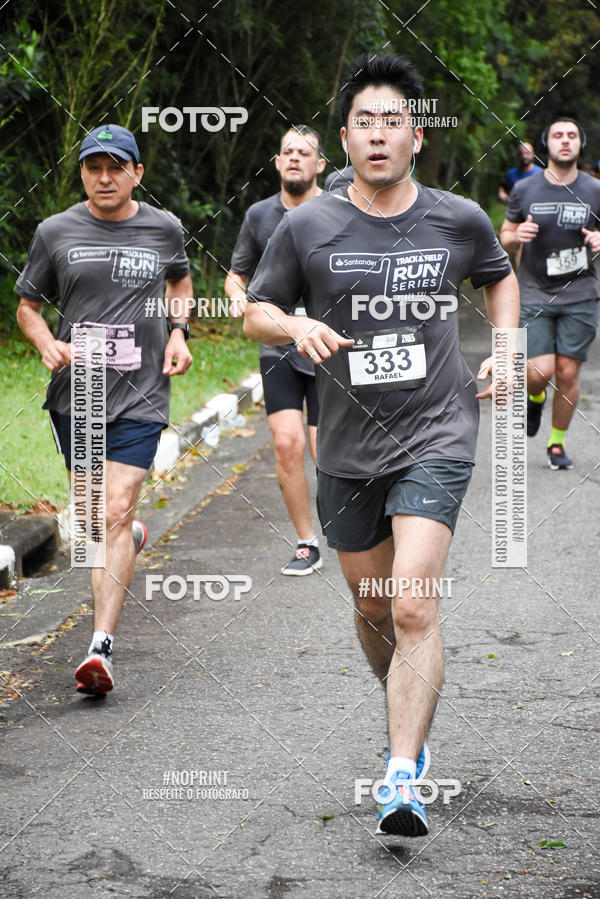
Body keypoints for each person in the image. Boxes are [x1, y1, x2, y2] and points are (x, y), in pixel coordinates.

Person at [244, 53, 519, 836]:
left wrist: (505, 347)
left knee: (410, 602)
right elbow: (256, 310)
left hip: (437, 430)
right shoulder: (307, 225)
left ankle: (401, 775)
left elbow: (499, 277)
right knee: (372, 609)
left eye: (391, 121)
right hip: (346, 446)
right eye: (362, 121)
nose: (377, 134)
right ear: (344, 137)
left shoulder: (457, 218)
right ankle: (405, 707)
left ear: (416, 136)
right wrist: (294, 323)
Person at [15, 124, 193, 695]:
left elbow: (180, 282)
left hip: (141, 389)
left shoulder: (163, 228)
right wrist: (46, 342)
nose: (105, 177)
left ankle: (100, 648)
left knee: (114, 510)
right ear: (82, 173)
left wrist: (179, 332)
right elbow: (27, 306)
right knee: (95, 523)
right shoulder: (55, 231)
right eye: (94, 167)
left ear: (137, 172)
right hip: (81, 391)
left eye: (117, 167)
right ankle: (126, 536)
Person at [225, 125, 326, 576]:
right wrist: (237, 298)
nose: (295, 157)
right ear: (277, 162)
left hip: (327, 344)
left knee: (326, 450)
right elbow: (237, 275)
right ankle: (307, 542)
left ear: (320, 163)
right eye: (288, 151)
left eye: (305, 152)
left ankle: (354, 529)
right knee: (287, 443)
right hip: (279, 342)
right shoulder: (259, 215)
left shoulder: (338, 208)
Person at [500, 116, 600, 469]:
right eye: (558, 135)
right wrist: (516, 236)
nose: (565, 140)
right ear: (547, 143)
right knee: (538, 372)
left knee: (568, 373)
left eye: (572, 135)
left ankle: (556, 444)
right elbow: (505, 234)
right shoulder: (525, 189)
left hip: (580, 292)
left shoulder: (594, 190)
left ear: (580, 144)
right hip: (535, 291)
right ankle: (536, 397)